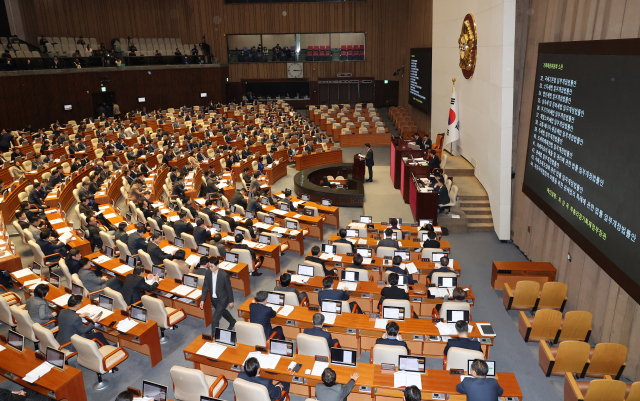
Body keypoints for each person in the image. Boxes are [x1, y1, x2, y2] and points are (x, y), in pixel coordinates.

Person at [200, 256, 236, 334]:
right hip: (214, 299)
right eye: (209, 266)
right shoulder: (208, 272)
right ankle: (232, 321)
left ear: (217, 265)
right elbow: (205, 286)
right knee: (222, 312)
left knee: (215, 320)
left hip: (223, 299)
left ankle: (214, 337)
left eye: (212, 266)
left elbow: (229, 289)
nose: (210, 268)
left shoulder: (224, 275)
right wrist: (202, 300)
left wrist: (231, 301)